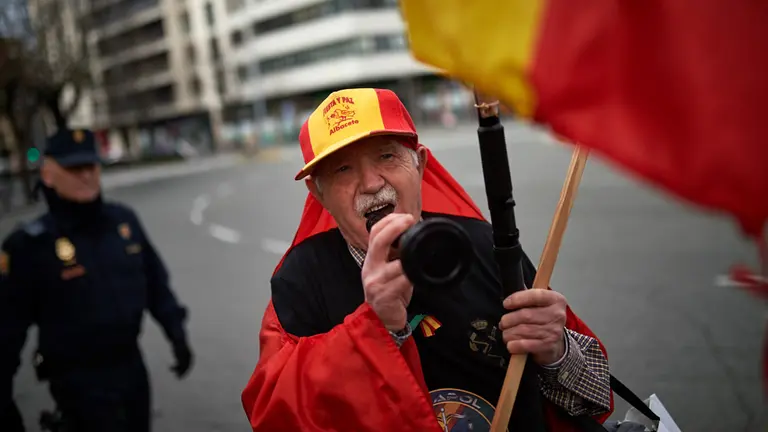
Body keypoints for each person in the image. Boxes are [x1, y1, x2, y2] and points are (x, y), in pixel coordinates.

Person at [241, 88, 614, 431]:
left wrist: (557, 353)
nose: (371, 183)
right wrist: (376, 327)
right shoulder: (300, 282)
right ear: (317, 193)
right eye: (342, 169)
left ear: (418, 164)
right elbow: (275, 417)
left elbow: (594, 396)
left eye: (387, 155)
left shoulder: (486, 246)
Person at [0, 128, 193, 432]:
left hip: (131, 369)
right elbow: (6, 330)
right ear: (48, 174)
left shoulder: (123, 222)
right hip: (78, 382)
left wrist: (176, 332)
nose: (86, 176)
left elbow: (155, 283)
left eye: (91, 166)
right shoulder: (29, 246)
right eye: (74, 169)